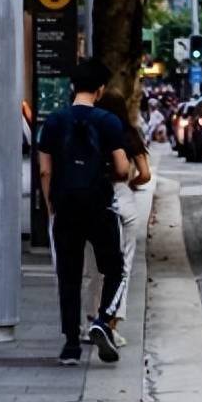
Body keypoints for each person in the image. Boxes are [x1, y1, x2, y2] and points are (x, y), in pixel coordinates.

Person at [35, 60, 132, 365]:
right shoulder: (108, 122)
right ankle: (102, 321)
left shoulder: (53, 121)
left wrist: (52, 204)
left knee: (68, 275)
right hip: (99, 206)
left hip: (65, 206)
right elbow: (122, 167)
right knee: (114, 268)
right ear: (100, 90)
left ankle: (70, 346)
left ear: (72, 87)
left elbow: (45, 171)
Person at [94, 91, 154, 346]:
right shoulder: (129, 134)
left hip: (98, 204)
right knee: (124, 267)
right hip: (125, 203)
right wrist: (131, 182)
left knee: (96, 269)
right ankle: (111, 323)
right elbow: (146, 174)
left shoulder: (96, 133)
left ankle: (90, 321)